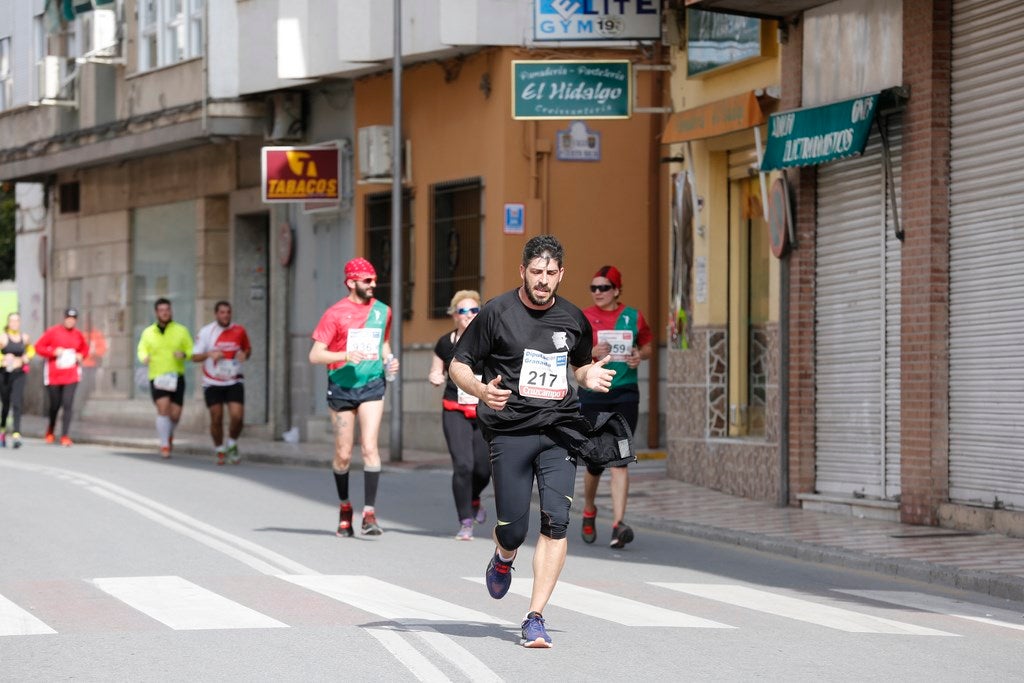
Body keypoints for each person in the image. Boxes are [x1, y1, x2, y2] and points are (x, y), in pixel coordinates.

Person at [449, 235, 615, 648]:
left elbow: (578, 366)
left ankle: (534, 616)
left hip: (560, 429)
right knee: (512, 528)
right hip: (511, 430)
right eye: (536, 272)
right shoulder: (496, 313)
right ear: (522, 271)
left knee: (556, 522)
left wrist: (587, 376)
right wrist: (482, 390)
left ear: (561, 274)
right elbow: (458, 364)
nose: (543, 281)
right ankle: (504, 558)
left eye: (551, 273)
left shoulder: (574, 318)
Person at [309, 257, 400, 538]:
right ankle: (345, 507)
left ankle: (369, 513)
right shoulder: (334, 314)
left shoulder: (383, 311)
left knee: (370, 447)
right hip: (341, 387)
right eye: (367, 281)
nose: (374, 284)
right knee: (344, 453)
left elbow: (383, 342)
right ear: (351, 283)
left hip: (372, 384)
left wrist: (389, 360)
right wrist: (345, 355)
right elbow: (315, 355)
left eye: (375, 280)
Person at [578, 265, 653, 549]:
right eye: (594, 288)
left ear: (616, 290)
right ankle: (588, 509)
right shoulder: (584, 317)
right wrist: (591, 353)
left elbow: (646, 344)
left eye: (604, 288)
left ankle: (618, 524)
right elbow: (573, 354)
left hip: (624, 393)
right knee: (595, 463)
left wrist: (638, 356)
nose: (598, 293)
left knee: (621, 459)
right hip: (594, 393)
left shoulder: (633, 317)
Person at [428, 290, 491, 541]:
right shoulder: (446, 343)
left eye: (474, 310)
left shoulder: (488, 342)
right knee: (463, 465)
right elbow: (436, 369)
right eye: (463, 311)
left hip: (482, 410)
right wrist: (435, 376)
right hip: (454, 409)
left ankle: (474, 498)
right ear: (455, 315)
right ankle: (465, 521)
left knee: (483, 469)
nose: (469, 315)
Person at [192, 301, 252, 466]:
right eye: (222, 312)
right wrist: (209, 354)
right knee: (216, 417)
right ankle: (219, 449)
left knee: (237, 416)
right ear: (216, 314)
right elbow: (194, 357)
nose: (225, 315)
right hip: (212, 382)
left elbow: (248, 350)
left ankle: (231, 444)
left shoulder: (239, 330)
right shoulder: (206, 332)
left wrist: (244, 355)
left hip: (234, 380)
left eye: (228, 312)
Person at [137, 298, 193, 459]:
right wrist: (144, 358)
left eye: (167, 309)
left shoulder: (181, 330)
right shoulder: (148, 332)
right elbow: (141, 350)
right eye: (161, 310)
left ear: (171, 311)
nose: (165, 312)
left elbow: (191, 350)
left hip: (176, 376)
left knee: (175, 414)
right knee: (163, 409)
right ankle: (164, 445)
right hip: (158, 377)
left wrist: (184, 354)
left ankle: (168, 433)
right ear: (156, 313)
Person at [34, 308, 89, 446]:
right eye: (68, 318)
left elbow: (85, 349)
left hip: (71, 375)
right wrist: (53, 351)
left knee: (68, 404)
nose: (70, 320)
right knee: (55, 405)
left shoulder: (78, 335)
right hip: (54, 376)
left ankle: (65, 435)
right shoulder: (53, 332)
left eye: (73, 318)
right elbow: (38, 347)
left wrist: (81, 355)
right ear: (64, 318)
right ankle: (51, 430)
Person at [0, 312, 34, 448]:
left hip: (19, 374)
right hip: (4, 374)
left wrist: (26, 358)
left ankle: (16, 433)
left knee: (17, 402)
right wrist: (3, 359)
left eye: (17, 321)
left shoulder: (24, 338)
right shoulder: (3, 338)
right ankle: (2, 431)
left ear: (19, 323)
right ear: (8, 323)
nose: (14, 323)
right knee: (6, 404)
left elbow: (31, 350)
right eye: (12, 321)